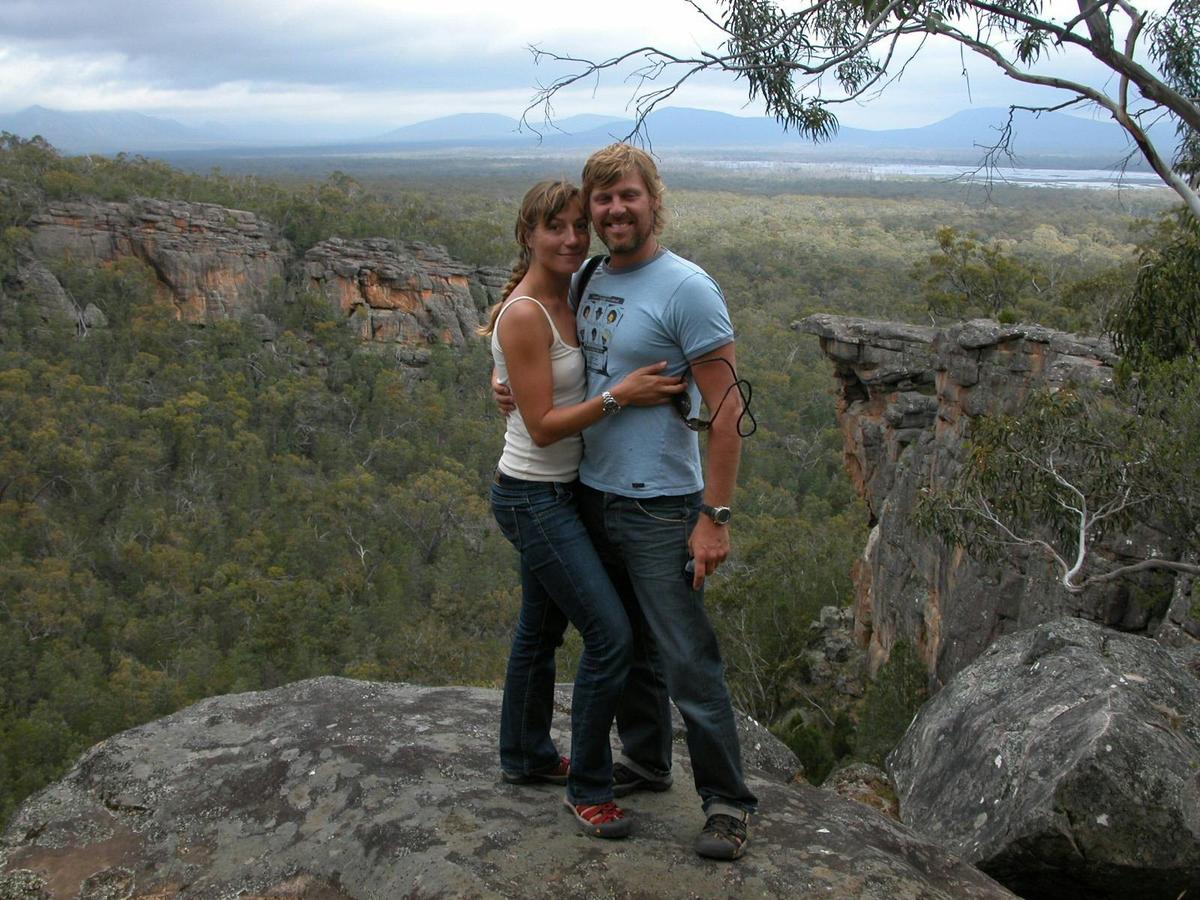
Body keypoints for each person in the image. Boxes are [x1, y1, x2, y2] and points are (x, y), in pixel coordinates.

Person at [497, 146, 759, 860]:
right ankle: (645, 760)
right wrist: (510, 391)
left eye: (627, 197)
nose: (613, 212)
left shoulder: (687, 289)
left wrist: (715, 515)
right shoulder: (586, 276)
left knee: (685, 659)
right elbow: (553, 363)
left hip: (660, 506)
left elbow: (729, 411)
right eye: (601, 201)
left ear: (653, 200)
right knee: (630, 649)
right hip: (587, 494)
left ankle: (728, 804)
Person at [482, 179, 684, 839]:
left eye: (578, 226)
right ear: (527, 233)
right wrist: (621, 396)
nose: (572, 238)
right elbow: (541, 427)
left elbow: (540, 378)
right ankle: (589, 787)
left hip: (566, 491)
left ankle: (524, 755)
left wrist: (506, 379)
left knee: (539, 635)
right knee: (611, 637)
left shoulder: (577, 289)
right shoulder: (524, 312)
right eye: (555, 228)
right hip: (534, 493)